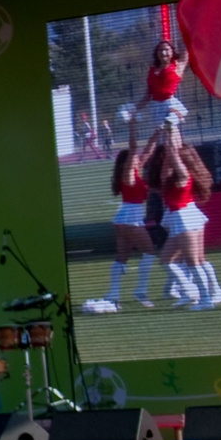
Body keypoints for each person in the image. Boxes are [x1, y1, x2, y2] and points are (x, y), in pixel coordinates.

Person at [85, 132, 160, 312]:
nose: (138, 159)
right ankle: (140, 290)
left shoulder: (135, 171)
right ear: (128, 161)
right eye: (134, 158)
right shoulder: (128, 175)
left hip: (124, 218)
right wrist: (132, 126)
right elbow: (134, 150)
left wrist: (157, 132)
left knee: (122, 259)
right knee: (150, 253)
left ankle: (113, 295)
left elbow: (148, 151)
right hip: (130, 219)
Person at [154, 126, 221, 309]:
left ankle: (206, 299)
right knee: (170, 260)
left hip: (185, 218)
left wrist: (170, 132)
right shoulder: (168, 176)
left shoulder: (184, 175)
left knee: (193, 261)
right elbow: (170, 156)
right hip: (184, 217)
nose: (167, 163)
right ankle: (195, 291)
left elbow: (173, 154)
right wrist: (171, 131)